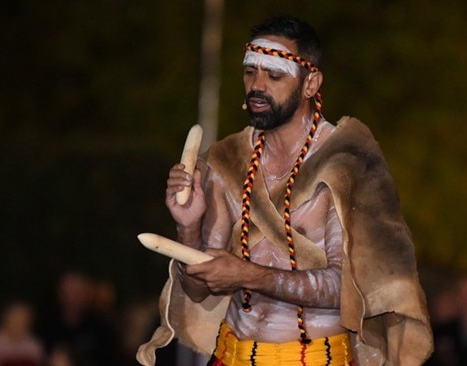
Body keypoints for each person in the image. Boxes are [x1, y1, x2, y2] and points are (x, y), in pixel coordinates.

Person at [137, 15, 433, 366]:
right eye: (250, 73)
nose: (257, 85)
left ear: (311, 83)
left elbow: (352, 289)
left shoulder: (347, 162)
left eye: (274, 75)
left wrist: (249, 275)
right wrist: (188, 225)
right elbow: (200, 290)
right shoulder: (227, 160)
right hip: (233, 356)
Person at [0, 300, 45, 366]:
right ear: (6, 319)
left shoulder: (34, 345)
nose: (21, 324)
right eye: (16, 319)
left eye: (25, 320)